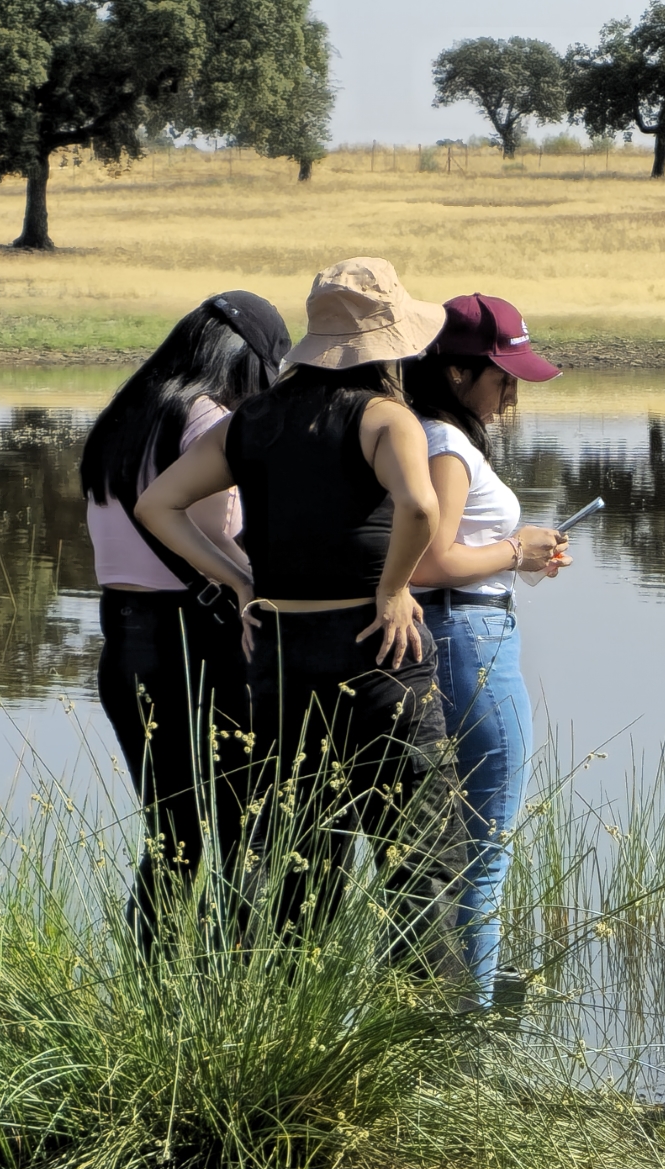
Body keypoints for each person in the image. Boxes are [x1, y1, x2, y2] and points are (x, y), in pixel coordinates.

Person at [134, 257, 469, 968]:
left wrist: (239, 581)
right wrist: (393, 586)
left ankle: (285, 1029)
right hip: (381, 655)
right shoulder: (386, 416)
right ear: (390, 346)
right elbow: (417, 504)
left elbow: (156, 505)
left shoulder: (252, 420)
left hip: (282, 659)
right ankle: (429, 1052)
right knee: (421, 864)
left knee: (297, 864)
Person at [78, 289, 289, 942]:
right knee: (244, 828)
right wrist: (249, 583)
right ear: (247, 361)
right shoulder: (207, 419)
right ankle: (236, 987)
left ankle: (154, 988)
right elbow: (202, 524)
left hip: (125, 645)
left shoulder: (126, 414)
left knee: (172, 835)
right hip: (196, 642)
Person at [406, 294, 573, 1003]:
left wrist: (519, 559)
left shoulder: (417, 431)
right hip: (468, 638)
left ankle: (420, 1016)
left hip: (446, 632)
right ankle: (466, 1033)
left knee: (428, 851)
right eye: (503, 376)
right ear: (454, 373)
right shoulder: (444, 443)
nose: (512, 393)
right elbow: (428, 561)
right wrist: (514, 548)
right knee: (483, 854)